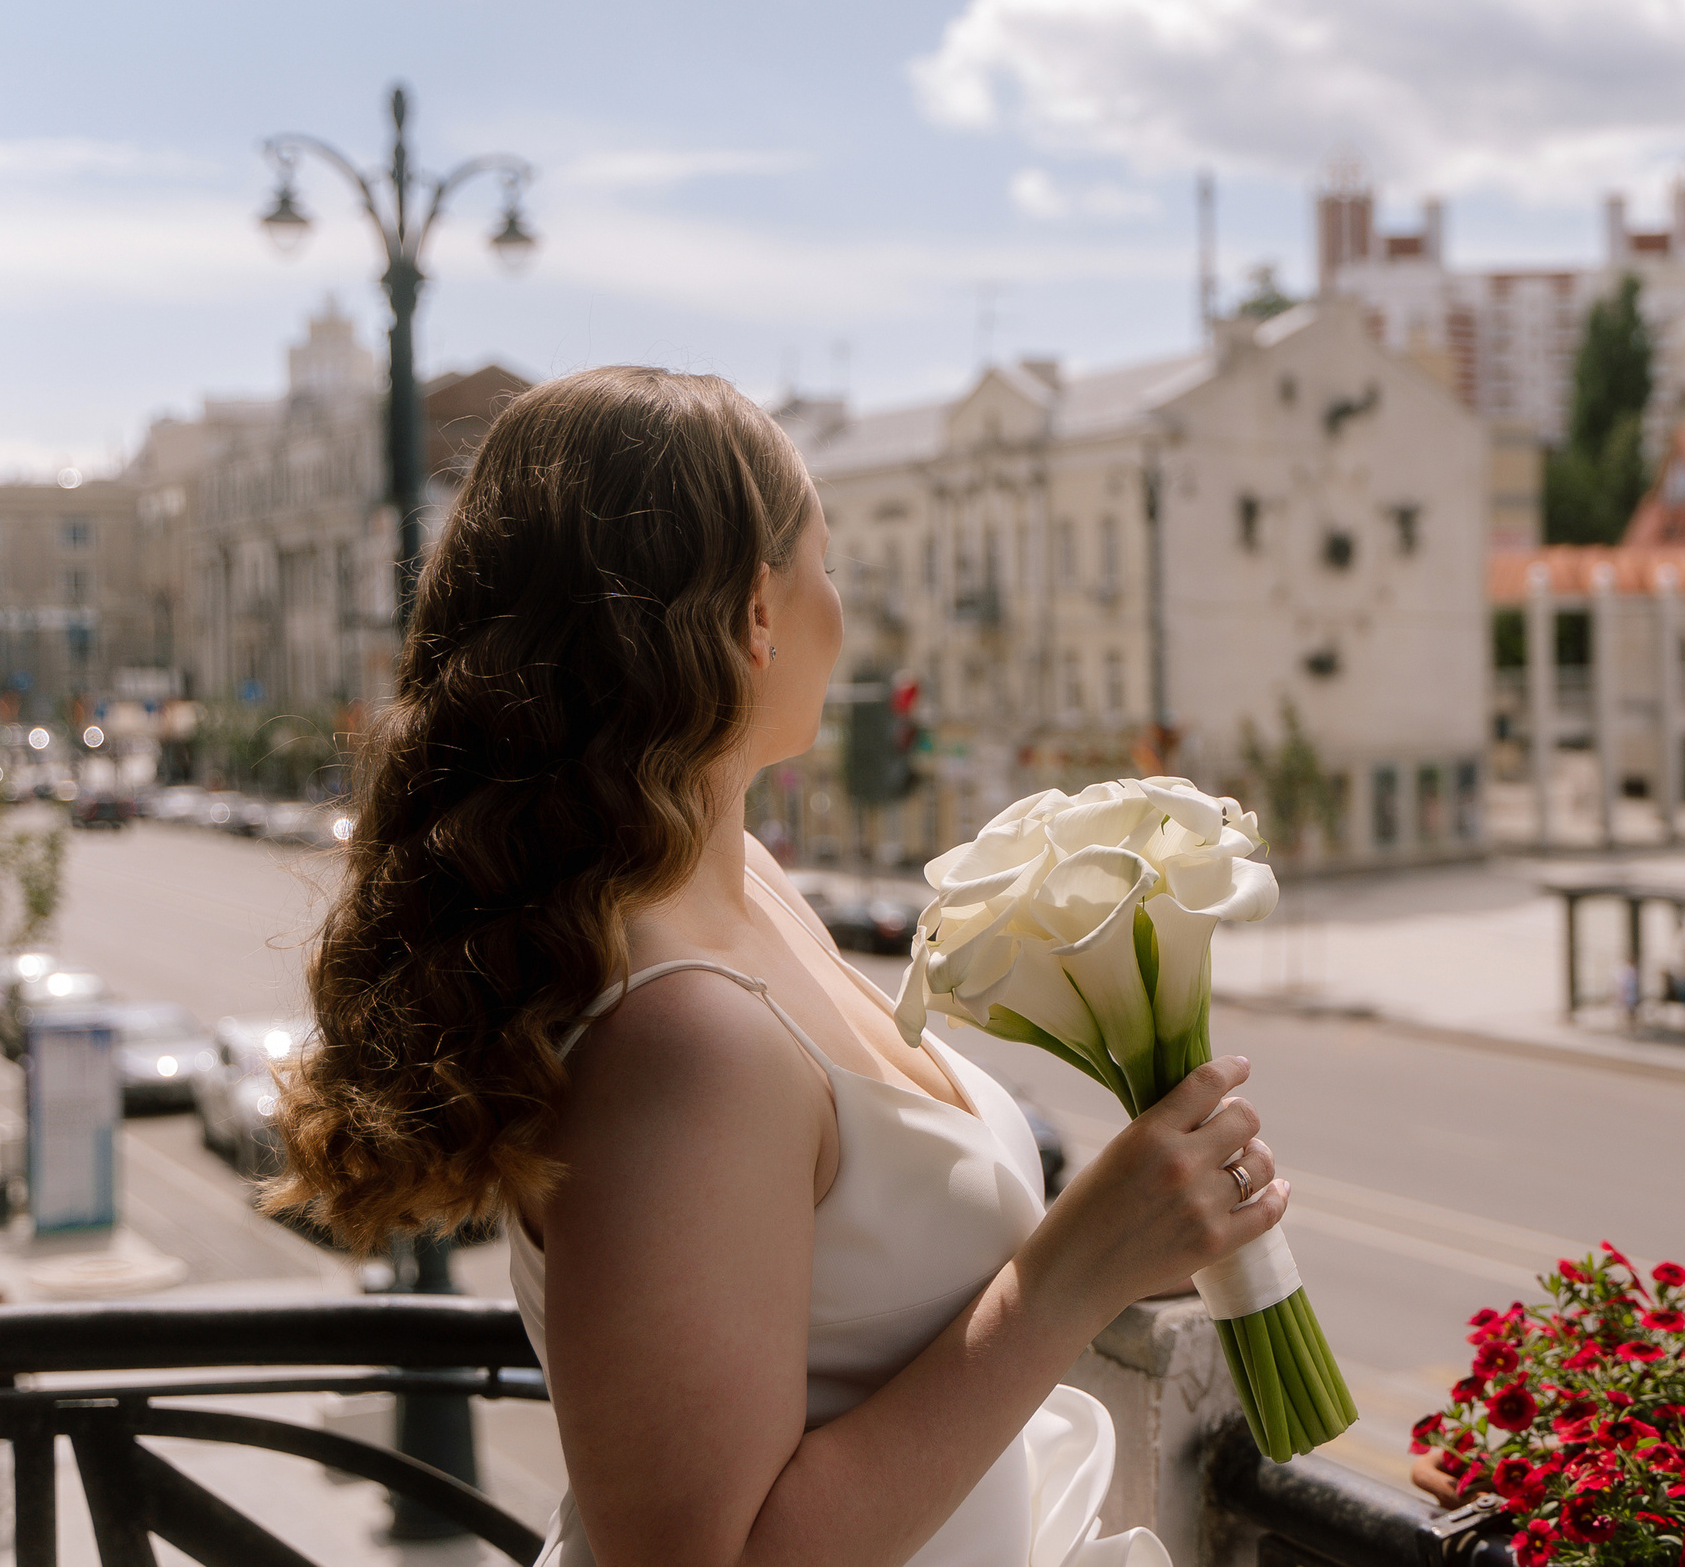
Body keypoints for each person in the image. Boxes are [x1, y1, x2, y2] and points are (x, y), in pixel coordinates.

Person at [267, 369, 1260, 1567]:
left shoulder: (740, 890)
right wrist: (1069, 1280)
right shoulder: (683, 1035)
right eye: (826, 565)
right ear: (755, 612)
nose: (842, 607)